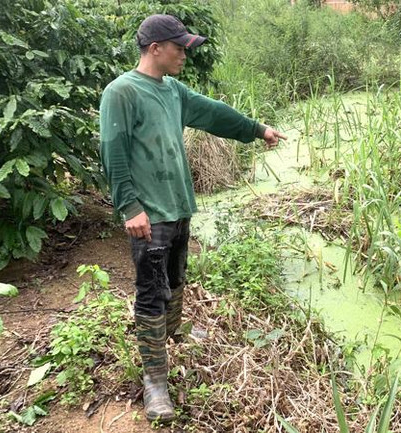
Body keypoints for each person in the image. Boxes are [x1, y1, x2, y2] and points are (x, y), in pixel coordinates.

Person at [98, 14, 287, 422]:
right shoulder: (122, 92)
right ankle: (155, 382)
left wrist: (257, 129)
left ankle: (172, 335)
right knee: (151, 291)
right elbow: (112, 152)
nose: (185, 54)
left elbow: (213, 113)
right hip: (149, 211)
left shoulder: (173, 90)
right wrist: (129, 207)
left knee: (177, 276)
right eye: (180, 47)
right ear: (155, 49)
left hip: (178, 204)